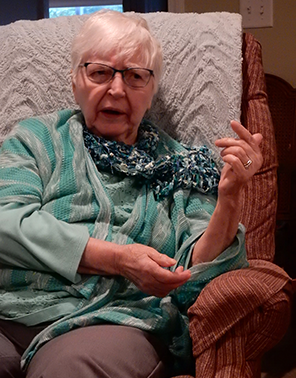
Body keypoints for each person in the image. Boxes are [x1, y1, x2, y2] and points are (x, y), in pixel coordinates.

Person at [0, 10, 263, 378]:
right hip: (11, 309)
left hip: (112, 323)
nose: (117, 89)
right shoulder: (36, 139)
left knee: (69, 368)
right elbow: (5, 223)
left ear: (152, 91)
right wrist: (117, 259)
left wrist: (231, 198)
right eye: (99, 72)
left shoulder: (182, 166)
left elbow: (193, 271)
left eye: (136, 76)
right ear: (75, 83)